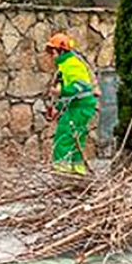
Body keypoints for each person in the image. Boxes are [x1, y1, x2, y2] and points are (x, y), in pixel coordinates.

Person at [44, 33, 98, 175]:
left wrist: (60, 91)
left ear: (61, 51)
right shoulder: (65, 66)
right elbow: (68, 95)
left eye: (53, 52)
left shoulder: (72, 65)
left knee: (64, 134)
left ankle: (61, 170)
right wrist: (57, 108)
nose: (51, 56)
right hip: (79, 105)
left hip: (81, 106)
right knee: (76, 136)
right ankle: (77, 170)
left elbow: (80, 87)